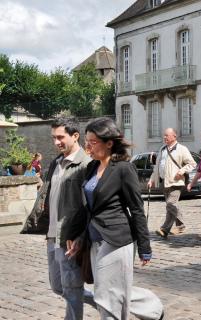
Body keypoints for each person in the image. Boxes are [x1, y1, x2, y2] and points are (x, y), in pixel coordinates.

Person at [65, 117, 163, 320]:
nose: (88, 147)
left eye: (92, 142)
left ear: (109, 143)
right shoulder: (92, 167)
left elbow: (136, 209)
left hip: (116, 239)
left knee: (106, 295)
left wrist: (145, 247)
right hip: (94, 240)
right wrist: (75, 235)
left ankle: (149, 310)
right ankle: (153, 309)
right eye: (87, 142)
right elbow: (87, 208)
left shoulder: (124, 169)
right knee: (109, 291)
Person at [43, 118, 95, 319]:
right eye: (53, 138)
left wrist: (81, 236)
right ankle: (103, 301)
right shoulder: (55, 162)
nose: (56, 142)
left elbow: (90, 208)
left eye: (60, 137)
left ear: (75, 136)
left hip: (71, 239)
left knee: (72, 291)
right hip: (52, 236)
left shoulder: (87, 165)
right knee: (58, 287)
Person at [148, 128, 196, 239]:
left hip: (176, 182)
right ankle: (165, 230)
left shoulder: (182, 149)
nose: (164, 137)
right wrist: (152, 179)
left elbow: (192, 164)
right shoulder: (162, 149)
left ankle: (181, 224)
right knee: (169, 207)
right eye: (164, 136)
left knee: (171, 204)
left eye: (167, 135)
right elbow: (157, 167)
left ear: (174, 136)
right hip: (165, 182)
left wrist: (182, 171)